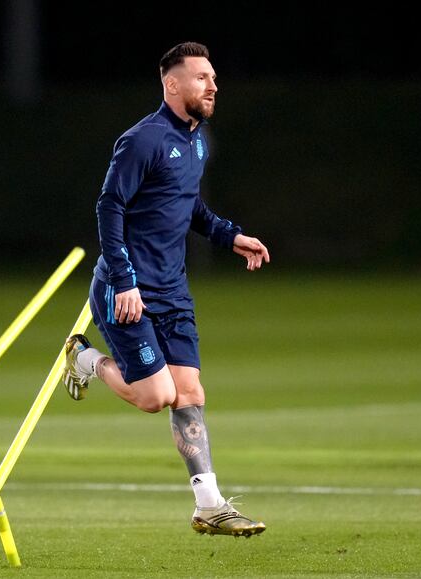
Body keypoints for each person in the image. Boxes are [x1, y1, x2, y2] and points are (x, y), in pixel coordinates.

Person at [63, 42, 269, 537]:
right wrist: (124, 280)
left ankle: (209, 505)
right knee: (157, 396)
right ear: (172, 84)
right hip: (125, 288)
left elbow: (188, 206)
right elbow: (108, 208)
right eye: (202, 78)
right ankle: (83, 358)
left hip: (173, 290)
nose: (213, 86)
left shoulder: (196, 140)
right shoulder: (142, 140)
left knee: (190, 392)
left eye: (213, 78)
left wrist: (230, 235)